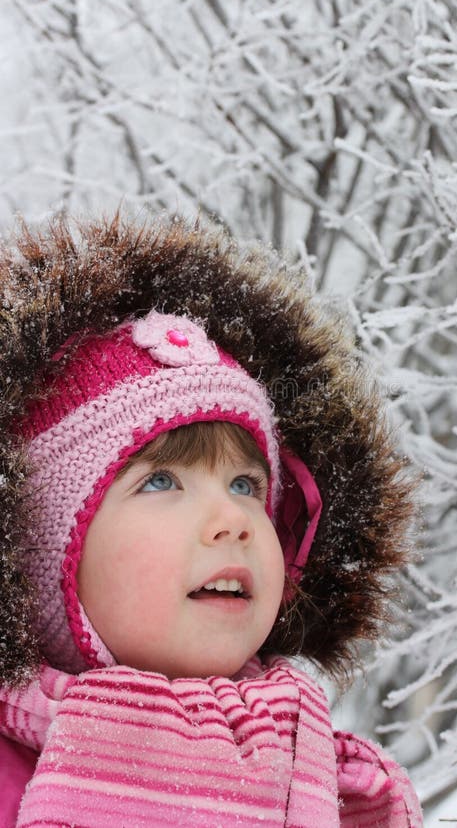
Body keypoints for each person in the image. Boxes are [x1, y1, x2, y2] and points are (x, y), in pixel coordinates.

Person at [0, 217, 422, 827]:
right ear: (43, 561)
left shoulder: (335, 781)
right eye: (162, 481)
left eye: (247, 485)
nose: (233, 519)